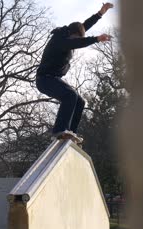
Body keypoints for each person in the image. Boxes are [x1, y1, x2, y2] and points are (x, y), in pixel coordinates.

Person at [36, 3, 114, 143]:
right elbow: (78, 43)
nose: (76, 43)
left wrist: (100, 14)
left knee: (79, 101)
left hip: (53, 79)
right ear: (72, 35)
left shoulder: (72, 33)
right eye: (76, 39)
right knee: (70, 95)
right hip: (44, 80)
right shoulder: (59, 40)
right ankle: (60, 130)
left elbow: (84, 26)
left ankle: (70, 133)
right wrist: (96, 39)